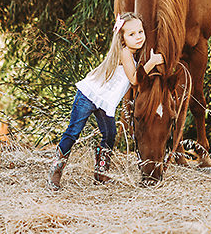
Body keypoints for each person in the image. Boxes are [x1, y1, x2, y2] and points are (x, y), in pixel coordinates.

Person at [47, 12, 164, 190]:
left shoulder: (131, 56)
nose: (138, 37)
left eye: (140, 32)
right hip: (88, 96)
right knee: (73, 131)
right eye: (131, 34)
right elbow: (134, 79)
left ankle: (101, 172)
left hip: (105, 103)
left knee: (109, 134)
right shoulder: (125, 52)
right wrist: (152, 62)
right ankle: (56, 170)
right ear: (123, 39)